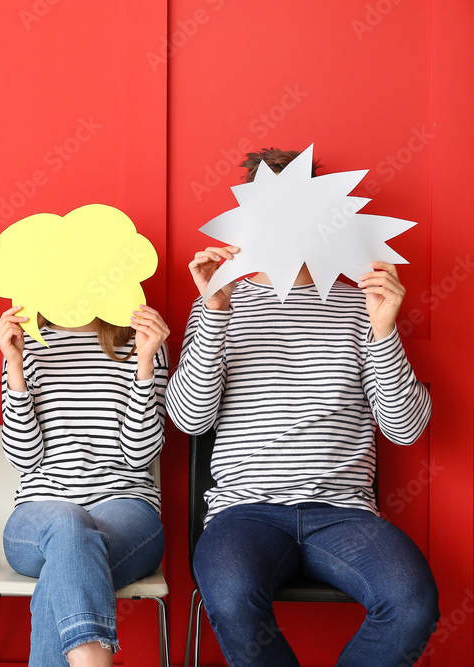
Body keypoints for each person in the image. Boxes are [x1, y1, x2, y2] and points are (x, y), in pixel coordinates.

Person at [166, 148, 437, 667]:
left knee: (411, 601)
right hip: (243, 512)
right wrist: (216, 315)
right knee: (231, 595)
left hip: (343, 513)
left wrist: (383, 331)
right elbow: (188, 418)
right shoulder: (221, 303)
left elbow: (404, 430)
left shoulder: (363, 305)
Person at [0, 299, 169, 667]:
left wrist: (145, 364)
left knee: (61, 575)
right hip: (39, 516)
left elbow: (139, 456)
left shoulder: (144, 339)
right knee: (68, 524)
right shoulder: (24, 344)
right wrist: (14, 366)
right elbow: (24, 458)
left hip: (127, 510)